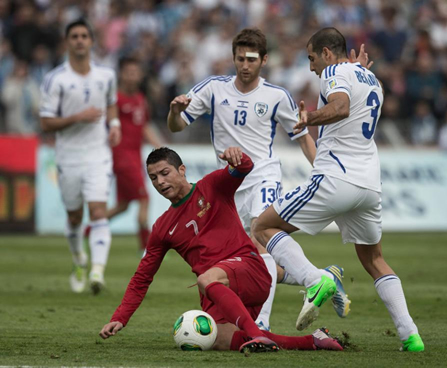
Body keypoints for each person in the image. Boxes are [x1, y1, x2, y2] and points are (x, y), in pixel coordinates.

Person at [253, 27, 425, 352]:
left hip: (337, 177)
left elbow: (341, 106)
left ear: (328, 54)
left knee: (262, 226)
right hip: (370, 184)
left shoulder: (333, 71)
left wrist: (309, 118)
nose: (311, 66)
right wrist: (357, 68)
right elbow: (354, 98)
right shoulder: (370, 78)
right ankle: (411, 336)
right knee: (374, 258)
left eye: (312, 58)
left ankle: (316, 280)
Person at [167, 28, 350, 331]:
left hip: (263, 175)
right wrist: (175, 112)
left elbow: (303, 138)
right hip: (229, 187)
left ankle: (261, 325)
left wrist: (323, 172)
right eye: (240, 58)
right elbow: (176, 127)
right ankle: (322, 277)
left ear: (264, 60)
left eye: (251, 59)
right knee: (252, 259)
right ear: (234, 58)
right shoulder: (214, 89)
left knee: (261, 237)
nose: (245, 65)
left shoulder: (277, 96)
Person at [99, 146, 343, 353]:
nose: (160, 182)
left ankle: (257, 334)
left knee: (207, 278)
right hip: (218, 292)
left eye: (165, 173)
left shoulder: (212, 186)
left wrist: (238, 156)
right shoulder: (162, 227)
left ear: (181, 170)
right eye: (153, 178)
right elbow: (142, 277)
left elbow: (244, 168)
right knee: (217, 340)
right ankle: (313, 341)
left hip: (248, 269)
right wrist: (120, 317)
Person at [39, 19, 121, 295]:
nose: (80, 40)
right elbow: (46, 123)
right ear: (67, 42)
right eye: (74, 36)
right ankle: (78, 260)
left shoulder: (106, 76)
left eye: (84, 36)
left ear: (91, 41)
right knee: (74, 217)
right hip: (68, 156)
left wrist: (115, 126)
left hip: (98, 154)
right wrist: (78, 117)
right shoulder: (56, 79)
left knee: (98, 211)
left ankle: (97, 271)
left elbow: (110, 105)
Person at [107, 57, 162, 252]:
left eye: (135, 72)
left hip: (136, 157)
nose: (132, 76)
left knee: (123, 205)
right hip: (122, 157)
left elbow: (144, 126)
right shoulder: (115, 100)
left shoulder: (140, 99)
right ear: (121, 74)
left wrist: (159, 146)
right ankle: (145, 248)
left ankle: (90, 229)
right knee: (144, 198)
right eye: (128, 72)